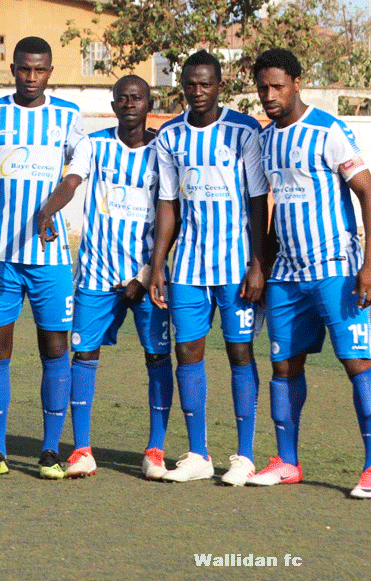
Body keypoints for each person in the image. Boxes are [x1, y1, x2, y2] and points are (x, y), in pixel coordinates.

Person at [0, 36, 84, 479]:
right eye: (24, 69)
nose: (31, 77)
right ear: (12, 69)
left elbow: (74, 178)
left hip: (51, 256)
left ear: (50, 72)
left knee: (56, 349)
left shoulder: (68, 116)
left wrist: (45, 211)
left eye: (40, 69)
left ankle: (49, 451)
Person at [247, 48, 371, 497]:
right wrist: (260, 266)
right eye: (263, 87)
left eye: (277, 86)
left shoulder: (328, 130)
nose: (269, 95)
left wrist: (369, 264)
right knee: (283, 364)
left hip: (336, 269)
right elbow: (264, 209)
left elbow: (367, 192)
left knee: (357, 363)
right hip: (286, 273)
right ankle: (287, 461)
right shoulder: (264, 140)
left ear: (297, 83)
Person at [37, 75, 173, 480]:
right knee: (84, 355)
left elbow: (175, 213)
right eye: (122, 99)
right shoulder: (94, 145)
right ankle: (81, 450)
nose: (129, 104)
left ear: (149, 104)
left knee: (157, 357)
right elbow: (71, 182)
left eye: (137, 98)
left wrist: (146, 274)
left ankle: (155, 451)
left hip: (149, 278)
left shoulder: (164, 150)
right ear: (113, 105)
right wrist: (48, 210)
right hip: (96, 275)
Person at [148, 50, 269, 485]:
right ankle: (198, 453)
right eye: (190, 84)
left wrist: (258, 263)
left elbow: (259, 201)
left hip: (236, 268)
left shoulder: (245, 130)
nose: (197, 91)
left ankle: (245, 456)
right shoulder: (170, 136)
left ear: (219, 86)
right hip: (188, 268)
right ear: (182, 85)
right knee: (187, 352)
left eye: (206, 84)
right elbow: (168, 203)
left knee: (240, 352)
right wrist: (158, 265)